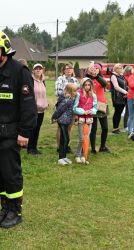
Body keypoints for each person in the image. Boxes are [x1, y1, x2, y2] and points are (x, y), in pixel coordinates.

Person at [0, 31, 37, 228]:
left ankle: (15, 210)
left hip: (12, 134)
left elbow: (29, 106)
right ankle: (4, 208)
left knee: (10, 173)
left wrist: (24, 133)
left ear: (3, 50)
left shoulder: (19, 72)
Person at [55, 63, 79, 153]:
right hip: (62, 106)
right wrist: (71, 94)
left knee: (69, 127)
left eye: (70, 68)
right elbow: (59, 92)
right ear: (64, 70)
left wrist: (72, 94)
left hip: (73, 107)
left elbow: (78, 93)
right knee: (60, 127)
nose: (69, 70)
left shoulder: (75, 80)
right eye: (67, 68)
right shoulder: (60, 79)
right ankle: (59, 146)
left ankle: (67, 145)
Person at [51, 83, 78, 165]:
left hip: (67, 121)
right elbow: (59, 110)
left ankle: (64, 157)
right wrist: (54, 117)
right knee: (64, 139)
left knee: (66, 139)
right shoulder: (67, 100)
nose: (76, 92)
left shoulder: (72, 99)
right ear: (70, 91)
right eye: (75, 90)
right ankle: (60, 158)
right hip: (62, 121)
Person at [73, 78, 97, 164]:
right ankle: (77, 155)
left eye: (88, 85)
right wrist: (83, 111)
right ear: (82, 85)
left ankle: (84, 155)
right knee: (81, 138)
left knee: (86, 137)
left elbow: (95, 107)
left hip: (89, 118)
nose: (87, 87)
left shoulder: (93, 95)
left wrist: (92, 111)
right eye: (85, 85)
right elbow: (74, 108)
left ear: (91, 86)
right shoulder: (78, 94)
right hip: (81, 118)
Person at [86, 64, 110, 153]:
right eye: (93, 69)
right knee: (93, 129)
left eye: (97, 69)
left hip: (102, 105)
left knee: (105, 128)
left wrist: (96, 76)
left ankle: (102, 146)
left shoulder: (100, 79)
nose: (95, 70)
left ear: (99, 70)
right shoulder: (87, 80)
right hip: (92, 106)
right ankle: (92, 148)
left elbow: (105, 84)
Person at [27, 63, 48, 155]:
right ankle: (30, 148)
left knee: (38, 128)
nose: (38, 70)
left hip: (41, 110)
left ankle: (34, 147)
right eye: (36, 69)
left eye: (40, 69)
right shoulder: (30, 80)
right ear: (33, 71)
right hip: (33, 109)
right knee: (32, 128)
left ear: (42, 70)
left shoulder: (43, 81)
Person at [110, 64, 128, 134]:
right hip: (117, 97)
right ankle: (115, 128)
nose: (120, 69)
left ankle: (117, 127)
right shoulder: (113, 76)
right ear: (115, 69)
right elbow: (116, 87)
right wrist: (125, 92)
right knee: (117, 112)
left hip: (123, 96)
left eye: (121, 68)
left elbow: (124, 85)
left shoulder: (121, 76)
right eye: (119, 68)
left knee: (119, 112)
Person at [122, 66, 133, 131]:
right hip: (127, 95)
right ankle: (126, 125)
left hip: (132, 95)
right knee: (128, 110)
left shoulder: (131, 76)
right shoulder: (124, 77)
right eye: (131, 71)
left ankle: (130, 124)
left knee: (131, 110)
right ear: (128, 71)